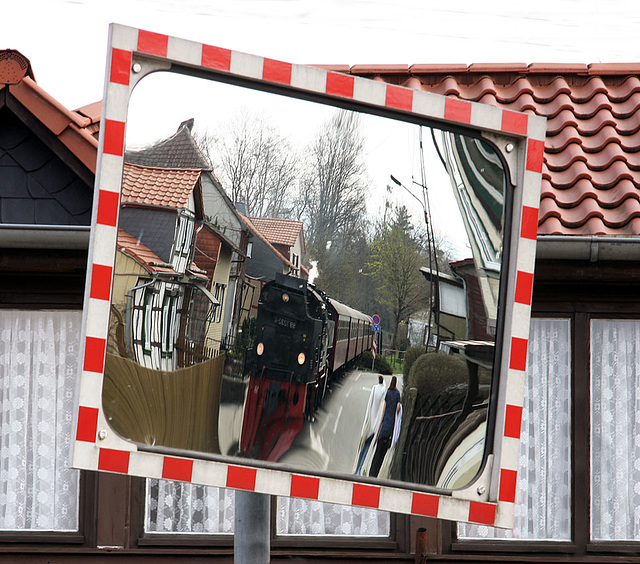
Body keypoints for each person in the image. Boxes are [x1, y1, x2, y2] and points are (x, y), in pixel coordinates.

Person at [369, 375, 401, 478]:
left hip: (384, 425)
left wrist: (380, 424)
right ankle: (378, 472)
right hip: (390, 426)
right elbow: (398, 407)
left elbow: (384, 409)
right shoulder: (397, 394)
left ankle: (372, 472)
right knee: (383, 452)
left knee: (377, 452)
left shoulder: (388, 393)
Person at [354, 375, 385, 475]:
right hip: (376, 426)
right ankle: (363, 468)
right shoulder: (383, 390)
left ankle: (358, 469)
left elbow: (369, 408)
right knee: (368, 449)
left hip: (369, 424)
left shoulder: (375, 389)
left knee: (363, 447)